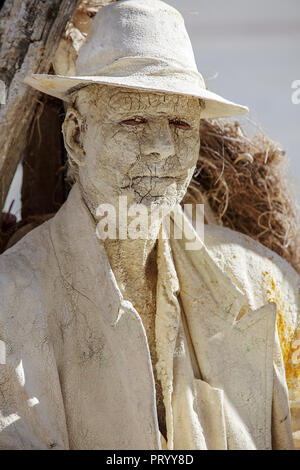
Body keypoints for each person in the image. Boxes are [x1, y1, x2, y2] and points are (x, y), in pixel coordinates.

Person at [0, 0, 299, 450]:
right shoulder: (12, 298)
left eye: (180, 122)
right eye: (134, 119)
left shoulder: (262, 283)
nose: (161, 146)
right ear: (77, 137)